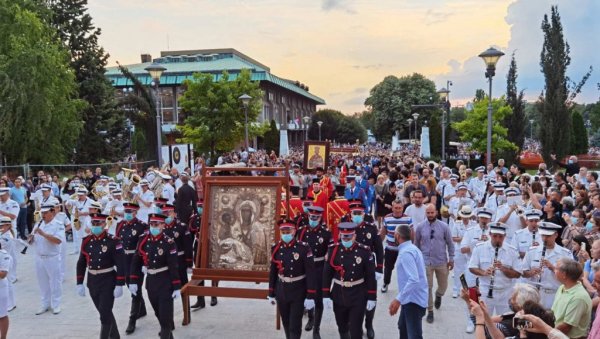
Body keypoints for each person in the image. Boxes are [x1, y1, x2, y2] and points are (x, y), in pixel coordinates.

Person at [129, 213, 181, 339]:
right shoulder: (143, 240)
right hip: (151, 282)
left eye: (156, 224)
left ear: (163, 225)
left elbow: (173, 266)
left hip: (165, 281)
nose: (153, 226)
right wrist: (133, 280)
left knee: (165, 317)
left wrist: (176, 286)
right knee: (159, 313)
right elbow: (136, 261)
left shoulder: (169, 242)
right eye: (151, 224)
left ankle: (165, 332)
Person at [322, 222, 376, 339]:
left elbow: (371, 276)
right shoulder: (333, 250)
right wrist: (325, 294)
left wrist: (372, 297)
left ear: (354, 236)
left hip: (358, 294)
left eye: (349, 236)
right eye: (343, 236)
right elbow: (327, 274)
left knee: (356, 330)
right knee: (342, 326)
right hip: (339, 293)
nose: (346, 239)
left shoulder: (364, 251)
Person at [75, 213, 125, 339]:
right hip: (92, 281)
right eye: (93, 223)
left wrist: (120, 284)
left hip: (107, 280)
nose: (95, 225)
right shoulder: (86, 241)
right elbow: (81, 262)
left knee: (104, 314)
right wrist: (79, 282)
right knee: (104, 312)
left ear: (104, 224)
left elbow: (121, 264)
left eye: (98, 223)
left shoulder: (113, 241)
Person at [268, 219, 316, 339]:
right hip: (282, 290)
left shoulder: (303, 248)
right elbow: (273, 271)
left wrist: (310, 295)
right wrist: (271, 292)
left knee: (295, 325)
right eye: (283, 231)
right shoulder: (276, 248)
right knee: (286, 322)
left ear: (294, 231)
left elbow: (310, 273)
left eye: (288, 231)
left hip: (298, 291)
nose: (285, 234)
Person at [469, 222, 521, 315]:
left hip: (506, 292)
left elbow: (518, 274)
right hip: (485, 290)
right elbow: (472, 267)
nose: (497, 239)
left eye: (500, 236)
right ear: (490, 234)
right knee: (484, 319)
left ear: (505, 236)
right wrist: (483, 272)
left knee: (505, 323)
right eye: (495, 236)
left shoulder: (512, 251)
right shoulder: (479, 248)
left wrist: (503, 269)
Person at [413, 203, 454, 323]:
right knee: (427, 287)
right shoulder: (420, 227)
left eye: (432, 212)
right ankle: (430, 311)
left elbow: (450, 244)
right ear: (426, 213)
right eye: (428, 213)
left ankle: (439, 295)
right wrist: (416, 260)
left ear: (436, 212)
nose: (430, 215)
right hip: (426, 262)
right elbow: (416, 244)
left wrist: (451, 259)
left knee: (444, 286)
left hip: (441, 261)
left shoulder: (444, 227)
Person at [295, 206, 330, 338]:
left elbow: (330, 250)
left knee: (318, 299)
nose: (313, 220)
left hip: (319, 268)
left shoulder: (326, 233)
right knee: (307, 294)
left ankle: (317, 328)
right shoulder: (302, 231)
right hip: (304, 268)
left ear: (320, 218)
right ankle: (310, 317)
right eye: (311, 217)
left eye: (316, 218)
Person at [519, 222, 573, 308]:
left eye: (548, 236)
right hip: (535, 295)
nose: (544, 238)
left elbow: (571, 277)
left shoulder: (565, 253)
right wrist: (531, 273)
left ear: (556, 235)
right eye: (543, 235)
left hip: (555, 295)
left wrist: (553, 268)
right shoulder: (532, 251)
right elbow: (522, 273)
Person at [388, 223, 428, 339]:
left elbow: (414, 279)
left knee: (414, 335)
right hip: (410, 299)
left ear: (397, 235)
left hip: (413, 301)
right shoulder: (412, 249)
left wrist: (398, 299)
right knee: (402, 327)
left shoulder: (406, 253)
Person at [114, 202, 148, 334]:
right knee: (130, 285)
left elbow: (143, 246)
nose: (127, 214)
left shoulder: (142, 226)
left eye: (130, 211)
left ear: (135, 212)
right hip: (124, 260)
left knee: (135, 288)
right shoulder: (120, 225)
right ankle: (142, 308)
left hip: (136, 260)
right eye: (126, 211)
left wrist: (145, 262)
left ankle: (132, 320)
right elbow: (117, 242)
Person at [351, 203, 384, 339]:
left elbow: (379, 248)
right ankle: (355, 324)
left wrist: (379, 268)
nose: (357, 216)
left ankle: (368, 324)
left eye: (360, 213)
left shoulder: (371, 228)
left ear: (364, 214)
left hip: (369, 268)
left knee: (371, 296)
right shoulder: (347, 229)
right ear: (350, 215)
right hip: (352, 269)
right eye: (355, 213)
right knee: (353, 298)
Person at [29, 202, 63, 315]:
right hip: (39, 257)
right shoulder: (39, 224)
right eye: (42, 213)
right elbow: (33, 240)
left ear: (52, 212)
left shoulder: (58, 224)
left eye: (45, 213)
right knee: (42, 283)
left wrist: (43, 234)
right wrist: (31, 238)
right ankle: (45, 304)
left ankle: (56, 305)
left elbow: (58, 241)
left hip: (52, 257)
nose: (43, 215)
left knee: (55, 282)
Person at [551, 258, 592, 338]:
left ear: (564, 274)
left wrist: (546, 332)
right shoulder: (562, 287)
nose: (554, 271)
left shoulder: (578, 297)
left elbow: (566, 327)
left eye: (556, 269)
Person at [380, 200, 412, 293]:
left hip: (404, 249)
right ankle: (386, 283)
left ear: (403, 208)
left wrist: (412, 246)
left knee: (406, 268)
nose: (398, 210)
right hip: (391, 248)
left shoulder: (408, 219)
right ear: (392, 208)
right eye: (396, 208)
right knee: (388, 267)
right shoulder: (387, 218)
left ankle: (407, 286)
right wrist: (378, 245)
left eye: (400, 208)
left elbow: (412, 233)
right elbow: (383, 232)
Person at [450, 205, 476, 298]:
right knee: (458, 270)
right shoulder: (457, 224)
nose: (465, 219)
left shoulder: (474, 224)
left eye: (467, 217)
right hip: (459, 250)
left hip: (470, 250)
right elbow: (453, 238)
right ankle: (456, 289)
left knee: (468, 270)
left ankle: (465, 289)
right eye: (464, 216)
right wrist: (464, 239)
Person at [0, 231, 11, 339]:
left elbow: (3, 274)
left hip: (0, 288)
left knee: (2, 315)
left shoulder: (3, 255)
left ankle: (3, 337)